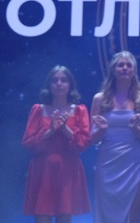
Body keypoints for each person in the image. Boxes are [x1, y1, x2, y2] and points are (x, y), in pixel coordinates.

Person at [90, 51, 140, 223]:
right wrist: (102, 130)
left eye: (128, 65)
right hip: (107, 161)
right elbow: (92, 139)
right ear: (113, 70)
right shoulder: (100, 99)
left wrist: (135, 129)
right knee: (108, 212)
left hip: (135, 161)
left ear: (134, 70)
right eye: (120, 65)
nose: (125, 68)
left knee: (134, 213)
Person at [22, 65, 91, 222]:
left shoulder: (79, 110)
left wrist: (65, 129)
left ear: (70, 85)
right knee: (41, 216)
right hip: (43, 170)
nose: (59, 84)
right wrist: (50, 131)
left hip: (67, 170)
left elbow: (83, 143)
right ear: (49, 85)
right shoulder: (38, 109)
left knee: (64, 217)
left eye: (63, 80)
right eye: (55, 81)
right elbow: (28, 143)